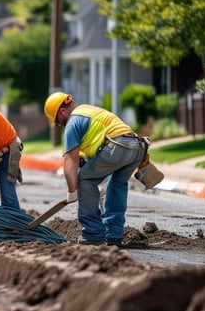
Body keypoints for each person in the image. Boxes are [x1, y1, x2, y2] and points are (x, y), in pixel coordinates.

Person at [43, 91, 146, 246]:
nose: (60, 125)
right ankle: (114, 235)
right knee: (117, 184)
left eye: (58, 122)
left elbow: (71, 159)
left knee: (85, 178)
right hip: (136, 147)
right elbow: (94, 145)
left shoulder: (72, 122)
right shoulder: (88, 111)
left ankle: (93, 233)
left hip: (117, 147)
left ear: (62, 111)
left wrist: (72, 191)